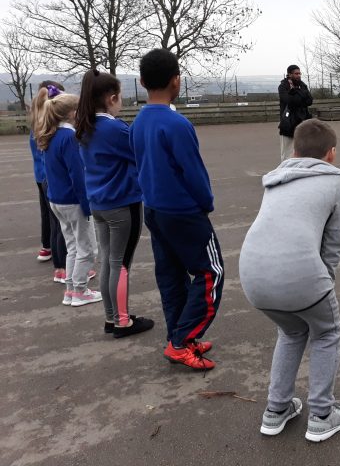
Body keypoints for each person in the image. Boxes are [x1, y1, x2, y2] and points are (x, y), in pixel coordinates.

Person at [240, 119, 340, 442]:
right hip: (299, 273)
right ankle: (321, 414)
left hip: (252, 274)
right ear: (331, 154)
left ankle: (276, 410)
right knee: (328, 332)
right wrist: (324, 282)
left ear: (294, 150)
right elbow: (333, 243)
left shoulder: (276, 179)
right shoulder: (337, 183)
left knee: (291, 331)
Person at [130, 49, 224, 370]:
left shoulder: (138, 121)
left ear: (142, 82)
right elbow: (193, 173)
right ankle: (181, 341)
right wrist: (206, 204)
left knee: (171, 276)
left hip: (154, 210)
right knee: (211, 273)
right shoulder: (177, 124)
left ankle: (180, 336)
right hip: (183, 212)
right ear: (176, 81)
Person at [76, 69, 154, 338]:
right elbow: (141, 153)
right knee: (120, 264)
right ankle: (123, 321)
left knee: (109, 260)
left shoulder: (85, 125)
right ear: (111, 98)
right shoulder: (114, 128)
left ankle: (112, 317)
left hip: (99, 203)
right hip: (122, 202)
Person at [36, 92, 101, 306]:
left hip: (57, 200)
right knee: (88, 248)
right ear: (73, 113)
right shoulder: (70, 138)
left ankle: (72, 290)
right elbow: (77, 176)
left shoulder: (51, 136)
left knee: (73, 246)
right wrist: (87, 206)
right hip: (72, 201)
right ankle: (80, 290)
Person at [30, 81, 68, 281]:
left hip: (41, 176)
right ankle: (61, 265)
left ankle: (48, 249)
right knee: (59, 223)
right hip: (51, 178)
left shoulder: (38, 123)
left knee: (49, 216)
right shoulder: (52, 129)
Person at [278, 65, 313, 162]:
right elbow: (289, 101)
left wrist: (296, 92)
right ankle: (286, 172)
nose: (298, 75)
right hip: (288, 122)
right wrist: (301, 95)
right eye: (296, 74)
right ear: (289, 74)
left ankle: (302, 170)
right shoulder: (283, 86)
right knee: (287, 151)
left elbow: (309, 101)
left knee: (304, 149)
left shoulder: (302, 85)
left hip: (302, 121)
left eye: (299, 73)